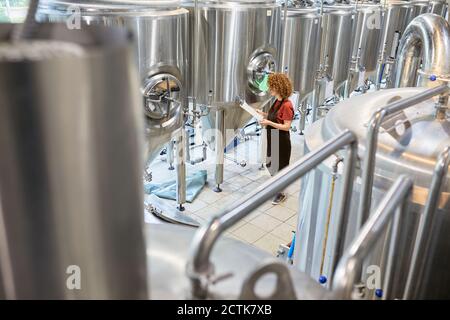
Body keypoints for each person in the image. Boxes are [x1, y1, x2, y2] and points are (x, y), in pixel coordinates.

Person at [256, 73, 294, 205]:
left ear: (278, 87)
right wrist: (264, 114)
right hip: (273, 137)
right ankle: (276, 188)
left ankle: (281, 193)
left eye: (271, 87)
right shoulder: (277, 101)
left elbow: (286, 126)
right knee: (272, 164)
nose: (269, 90)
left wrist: (268, 123)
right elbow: (276, 117)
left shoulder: (287, 105)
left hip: (281, 139)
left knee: (280, 167)